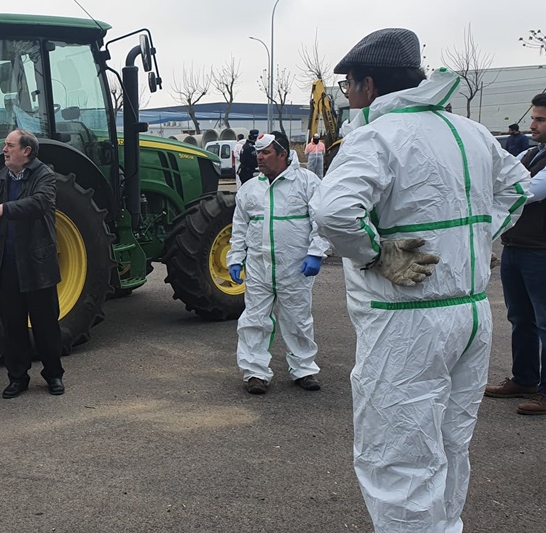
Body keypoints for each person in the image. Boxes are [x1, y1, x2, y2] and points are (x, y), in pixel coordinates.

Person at [314, 29, 530, 532]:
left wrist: (375, 254)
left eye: (348, 86)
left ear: (369, 85)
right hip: (472, 316)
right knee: (450, 445)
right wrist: (474, 243)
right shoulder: (471, 131)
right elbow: (518, 190)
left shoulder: (377, 137)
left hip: (408, 323)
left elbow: (332, 212)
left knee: (398, 457)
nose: (348, 96)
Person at [227, 132, 328, 395]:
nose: (259, 157)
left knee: (298, 319)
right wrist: (236, 258)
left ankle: (304, 369)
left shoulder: (307, 182)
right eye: (258, 152)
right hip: (260, 268)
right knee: (254, 320)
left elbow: (321, 222)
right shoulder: (250, 188)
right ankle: (255, 373)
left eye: (266, 152)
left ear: (283, 154)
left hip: (295, 267)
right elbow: (239, 227)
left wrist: (316, 253)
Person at [0, 129, 65, 398]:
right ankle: (17, 378)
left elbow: (39, 203)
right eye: (5, 145)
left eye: (10, 145)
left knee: (46, 324)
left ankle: (54, 375)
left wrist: (4, 209)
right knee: (12, 326)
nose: (4, 149)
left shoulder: (43, 175)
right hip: (6, 264)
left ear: (27, 151)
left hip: (37, 263)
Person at [487, 94, 546, 415]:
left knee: (545, 322)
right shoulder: (530, 152)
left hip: (541, 252)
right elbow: (501, 177)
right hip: (516, 248)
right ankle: (524, 378)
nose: (532, 124)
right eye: (534, 118)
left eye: (540, 119)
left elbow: (529, 191)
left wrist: (505, 186)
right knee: (520, 318)